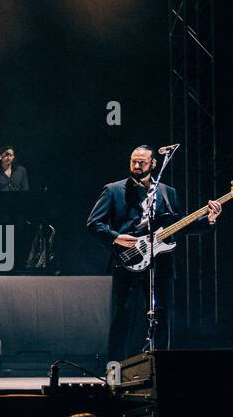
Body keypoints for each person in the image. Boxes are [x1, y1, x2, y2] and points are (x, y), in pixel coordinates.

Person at [86, 145, 221, 363]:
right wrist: (116, 236)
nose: (137, 165)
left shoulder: (168, 193)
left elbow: (180, 226)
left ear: (153, 164)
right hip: (127, 260)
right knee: (123, 317)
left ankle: (161, 367)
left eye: (142, 162)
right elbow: (94, 224)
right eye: (134, 161)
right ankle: (115, 369)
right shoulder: (113, 190)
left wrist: (210, 220)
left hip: (161, 263)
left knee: (162, 316)